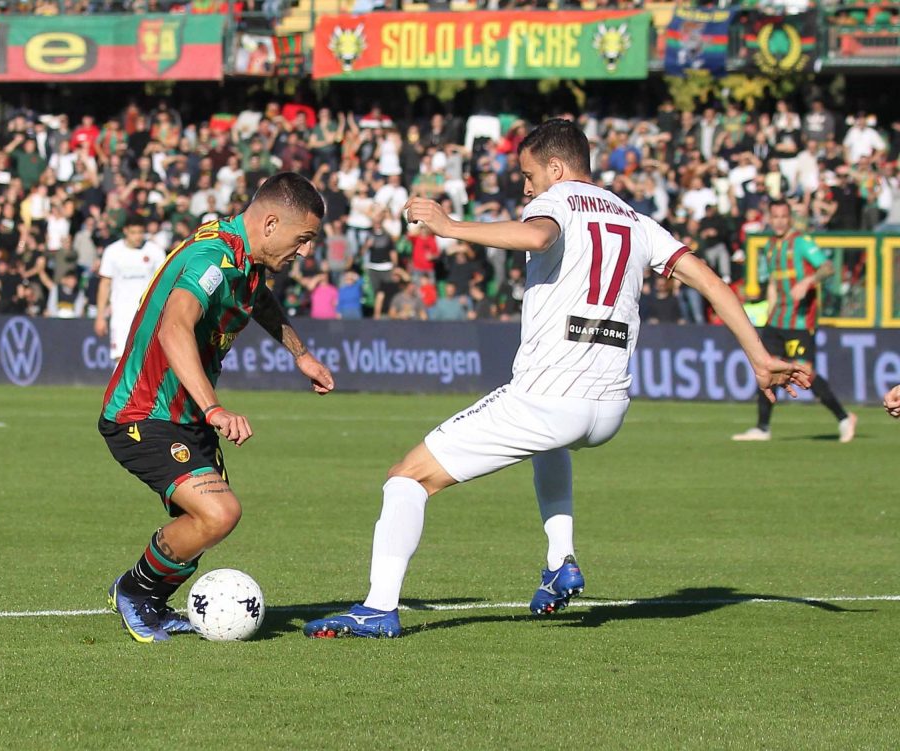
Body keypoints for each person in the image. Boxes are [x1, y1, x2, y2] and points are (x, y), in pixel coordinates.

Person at [302, 119, 812, 639]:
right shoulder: (635, 218)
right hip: (609, 409)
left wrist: (451, 226)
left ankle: (377, 607)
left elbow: (536, 233)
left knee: (406, 479)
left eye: (528, 174)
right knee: (552, 444)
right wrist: (759, 356)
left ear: (556, 167)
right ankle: (560, 560)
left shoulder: (557, 200)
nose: (525, 187)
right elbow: (708, 279)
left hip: (548, 397)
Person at [99, 172, 335, 643]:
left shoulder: (244, 260)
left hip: (184, 418)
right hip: (144, 414)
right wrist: (214, 408)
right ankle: (133, 592)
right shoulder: (213, 258)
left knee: (208, 522)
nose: (305, 251)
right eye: (303, 238)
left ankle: (150, 598)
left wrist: (300, 354)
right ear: (270, 222)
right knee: (218, 514)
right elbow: (173, 328)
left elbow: (258, 300)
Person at [732, 200, 857, 443]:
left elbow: (828, 267)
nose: (779, 221)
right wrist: (768, 312)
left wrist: (808, 282)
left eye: (783, 216)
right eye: (775, 216)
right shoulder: (770, 247)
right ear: (770, 218)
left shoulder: (801, 242)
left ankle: (844, 418)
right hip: (776, 322)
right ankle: (762, 427)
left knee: (805, 373)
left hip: (799, 322)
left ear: (790, 218)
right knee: (766, 369)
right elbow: (773, 286)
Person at [94, 217, 168, 364]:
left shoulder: (155, 252)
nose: (138, 236)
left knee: (146, 358)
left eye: (141, 232)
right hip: (121, 313)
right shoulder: (112, 252)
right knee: (120, 358)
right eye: (133, 232)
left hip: (148, 312)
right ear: (125, 231)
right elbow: (105, 284)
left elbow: (164, 283)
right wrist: (100, 316)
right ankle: (121, 388)